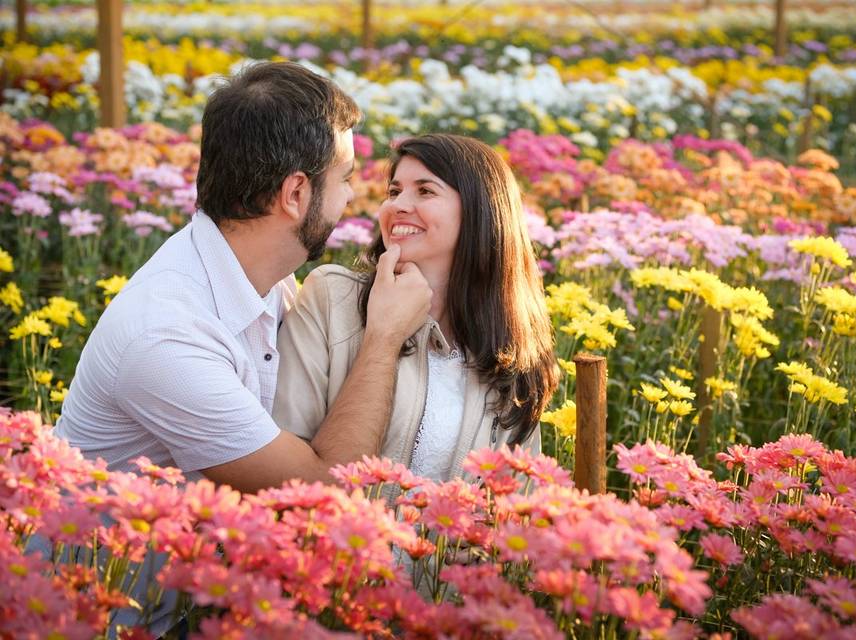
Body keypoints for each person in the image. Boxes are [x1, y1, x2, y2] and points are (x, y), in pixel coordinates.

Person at [53, 61, 433, 494]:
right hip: (101, 560)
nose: (351, 196)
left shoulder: (260, 274)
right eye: (344, 179)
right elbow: (322, 490)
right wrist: (384, 337)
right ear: (295, 194)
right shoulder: (168, 335)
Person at [272, 134, 559, 482]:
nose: (397, 206)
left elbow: (522, 499)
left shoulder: (512, 347)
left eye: (425, 191)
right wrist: (383, 335)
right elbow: (288, 461)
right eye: (394, 192)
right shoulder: (333, 299)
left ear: (481, 212)